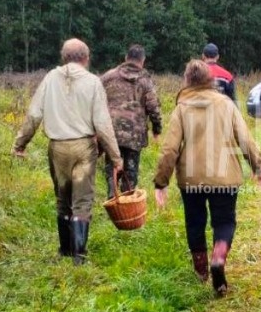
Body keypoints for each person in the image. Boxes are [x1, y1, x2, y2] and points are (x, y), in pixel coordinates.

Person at [153, 59, 261, 296]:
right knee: (224, 222)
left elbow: (170, 148)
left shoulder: (182, 107)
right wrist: (258, 167)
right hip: (225, 178)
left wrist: (161, 182)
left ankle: (202, 270)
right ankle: (219, 257)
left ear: (187, 81)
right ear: (210, 80)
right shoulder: (225, 104)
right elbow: (245, 138)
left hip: (191, 179)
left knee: (195, 223)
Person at [12, 38, 123, 266]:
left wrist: (20, 143)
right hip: (84, 148)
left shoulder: (51, 78)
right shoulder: (92, 82)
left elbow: (34, 114)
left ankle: (65, 250)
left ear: (64, 57)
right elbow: (102, 124)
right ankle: (79, 257)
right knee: (82, 201)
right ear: (86, 57)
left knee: (63, 200)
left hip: (57, 148)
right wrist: (115, 157)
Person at [100, 44, 162, 198]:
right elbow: (153, 107)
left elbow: (95, 101)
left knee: (112, 166)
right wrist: (157, 129)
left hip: (111, 132)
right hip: (135, 134)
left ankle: (112, 198)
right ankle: (128, 202)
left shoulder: (108, 77)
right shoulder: (146, 80)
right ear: (143, 60)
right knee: (131, 170)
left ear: (126, 58)